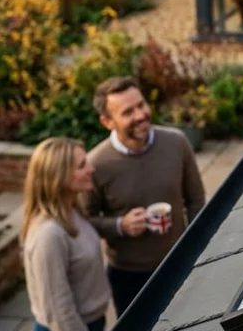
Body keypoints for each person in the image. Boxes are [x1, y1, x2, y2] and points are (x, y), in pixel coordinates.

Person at [85, 76, 206, 316]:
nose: (140, 115)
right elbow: (85, 221)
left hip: (179, 264)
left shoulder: (176, 143)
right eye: (128, 112)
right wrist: (121, 225)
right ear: (107, 121)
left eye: (141, 105)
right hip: (129, 278)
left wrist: (196, 248)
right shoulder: (96, 165)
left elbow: (196, 201)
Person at [21, 137, 111, 331]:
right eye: (82, 165)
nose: (91, 169)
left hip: (88, 327)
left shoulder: (72, 212)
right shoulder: (49, 235)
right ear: (59, 177)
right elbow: (58, 310)